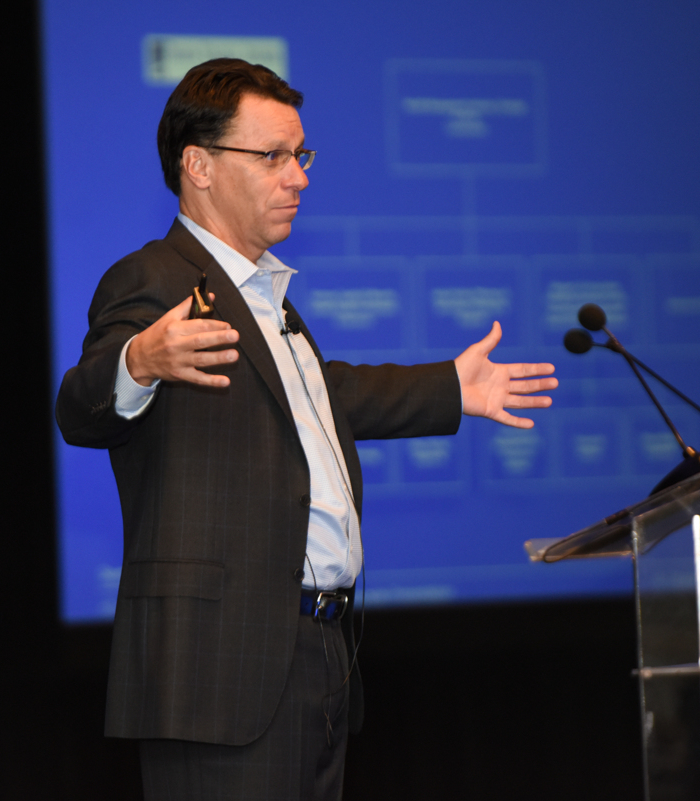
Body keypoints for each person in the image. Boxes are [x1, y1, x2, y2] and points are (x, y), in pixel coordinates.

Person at [55, 58, 556, 801]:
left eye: (301, 155)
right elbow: (80, 405)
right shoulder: (155, 279)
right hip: (222, 671)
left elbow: (323, 397)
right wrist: (140, 360)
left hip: (317, 654)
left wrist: (451, 387)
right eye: (272, 156)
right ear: (199, 166)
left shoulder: (265, 294)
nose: (298, 177)